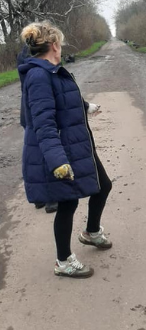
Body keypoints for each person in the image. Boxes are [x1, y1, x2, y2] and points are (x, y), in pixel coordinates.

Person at [18, 21, 112, 278]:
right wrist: (58, 161)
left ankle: (91, 232)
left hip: (77, 145)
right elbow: (42, 123)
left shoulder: (52, 71)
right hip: (61, 150)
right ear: (54, 45)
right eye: (61, 43)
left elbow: (63, 100)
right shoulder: (39, 76)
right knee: (68, 203)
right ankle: (63, 261)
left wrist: (86, 106)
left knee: (103, 185)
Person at [17, 43, 58, 214]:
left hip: (28, 110)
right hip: (38, 110)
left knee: (34, 155)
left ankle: (39, 197)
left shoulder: (24, 55)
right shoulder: (39, 60)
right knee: (46, 153)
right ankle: (50, 198)